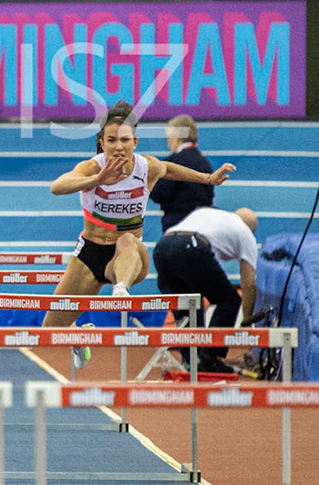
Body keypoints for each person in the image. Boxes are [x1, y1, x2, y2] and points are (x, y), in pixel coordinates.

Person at [45, 102, 234, 371]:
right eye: (111, 140)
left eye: (124, 140)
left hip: (129, 255)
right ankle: (80, 335)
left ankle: (120, 288)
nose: (118, 146)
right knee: (50, 330)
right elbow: (57, 187)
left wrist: (208, 178)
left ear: (135, 141)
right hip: (91, 253)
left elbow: (171, 170)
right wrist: (98, 180)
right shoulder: (91, 167)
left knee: (125, 240)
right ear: (102, 142)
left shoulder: (147, 168)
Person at [153, 206, 259, 373]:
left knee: (188, 305)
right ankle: (209, 358)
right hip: (191, 247)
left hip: (162, 247)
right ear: (252, 230)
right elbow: (249, 284)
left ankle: (191, 361)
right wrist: (247, 322)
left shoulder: (209, 214)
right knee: (229, 301)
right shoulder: (245, 233)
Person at [149, 114, 216, 231]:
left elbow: (159, 194)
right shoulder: (204, 162)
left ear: (176, 137)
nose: (168, 143)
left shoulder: (172, 163)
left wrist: (148, 180)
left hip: (177, 224)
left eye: (168, 138)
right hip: (204, 222)